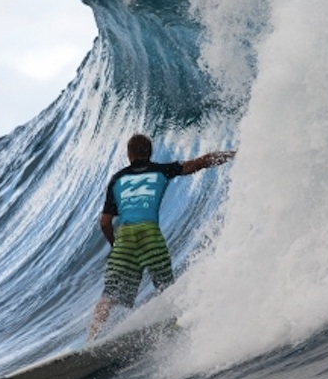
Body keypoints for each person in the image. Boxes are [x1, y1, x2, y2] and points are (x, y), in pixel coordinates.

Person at [88, 134, 236, 340]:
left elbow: (104, 222)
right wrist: (233, 154)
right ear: (149, 153)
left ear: (129, 154)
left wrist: (116, 245)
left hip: (125, 237)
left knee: (108, 298)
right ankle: (178, 330)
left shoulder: (117, 179)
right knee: (167, 291)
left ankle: (90, 342)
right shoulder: (161, 170)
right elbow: (200, 163)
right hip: (150, 235)